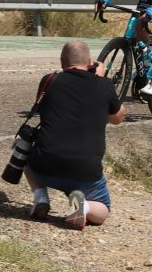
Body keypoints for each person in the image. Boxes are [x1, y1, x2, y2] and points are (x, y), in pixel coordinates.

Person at [25, 40, 122, 228]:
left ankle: (41, 198)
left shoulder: (49, 81)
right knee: (103, 209)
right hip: (85, 172)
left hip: (46, 165)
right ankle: (84, 207)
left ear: (62, 62)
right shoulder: (104, 85)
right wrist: (100, 80)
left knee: (26, 157)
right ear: (90, 62)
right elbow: (117, 118)